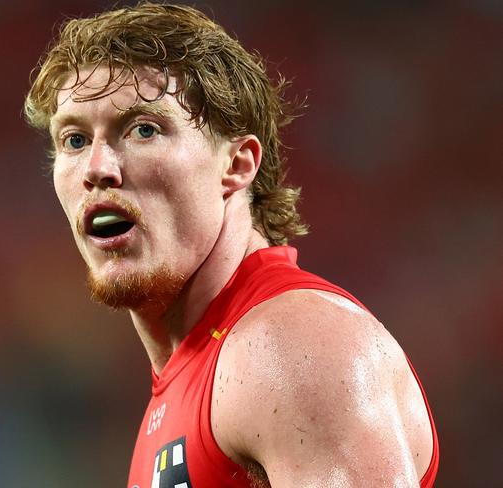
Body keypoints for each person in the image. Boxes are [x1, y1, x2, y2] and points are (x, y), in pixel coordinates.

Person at [24, 2, 439, 486]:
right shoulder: (197, 371)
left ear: (238, 165)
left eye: (143, 129)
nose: (97, 168)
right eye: (74, 140)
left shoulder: (290, 345)